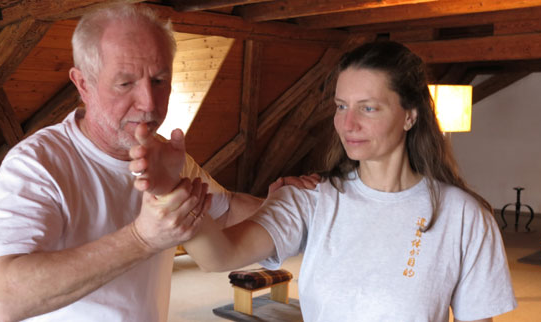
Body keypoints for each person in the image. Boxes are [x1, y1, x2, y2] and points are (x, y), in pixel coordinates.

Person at [136, 41, 517, 321]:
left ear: (409, 116)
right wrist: (172, 186)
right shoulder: (311, 198)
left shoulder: (463, 216)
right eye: (340, 106)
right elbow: (219, 256)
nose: (347, 124)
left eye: (368, 108)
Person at [0, 4, 317, 322]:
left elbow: (225, 213)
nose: (148, 103)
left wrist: (290, 207)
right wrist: (142, 239)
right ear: (83, 84)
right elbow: (7, 299)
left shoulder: (167, 158)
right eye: (126, 83)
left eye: (159, 81)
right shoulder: (37, 163)